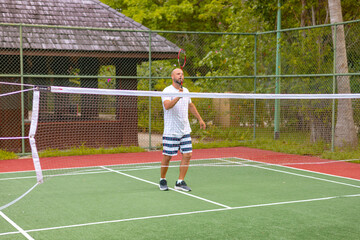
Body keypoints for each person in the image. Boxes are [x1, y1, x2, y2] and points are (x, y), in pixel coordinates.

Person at [159, 68, 206, 191]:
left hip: (184, 130)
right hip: (171, 131)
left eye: (182, 74)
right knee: (167, 156)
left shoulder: (186, 90)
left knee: (188, 155)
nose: (181, 76)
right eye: (178, 74)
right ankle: (162, 179)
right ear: (172, 76)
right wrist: (178, 96)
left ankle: (180, 181)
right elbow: (167, 106)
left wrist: (200, 119)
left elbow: (190, 105)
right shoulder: (167, 91)